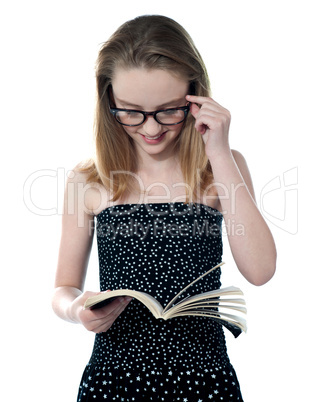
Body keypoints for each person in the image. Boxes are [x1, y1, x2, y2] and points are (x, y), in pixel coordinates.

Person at [52, 14, 276, 401]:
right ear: (109, 101)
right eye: (132, 112)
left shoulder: (222, 167)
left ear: (195, 97)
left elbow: (260, 271)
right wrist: (77, 309)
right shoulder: (88, 181)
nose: (151, 129)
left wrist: (219, 152)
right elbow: (62, 287)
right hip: (114, 379)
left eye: (169, 110)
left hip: (204, 379)